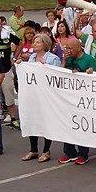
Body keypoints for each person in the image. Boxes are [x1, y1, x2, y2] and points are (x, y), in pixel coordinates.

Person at [19, 33, 61, 162]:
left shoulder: (53, 58)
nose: (35, 44)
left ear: (45, 44)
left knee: (46, 122)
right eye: (34, 42)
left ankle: (46, 150)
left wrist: (45, 67)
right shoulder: (32, 57)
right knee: (33, 121)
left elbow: (57, 76)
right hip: (33, 96)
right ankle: (33, 150)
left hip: (47, 96)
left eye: (38, 42)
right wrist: (20, 65)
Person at [58, 38, 95, 165]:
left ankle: (83, 154)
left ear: (79, 48)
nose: (68, 50)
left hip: (82, 99)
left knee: (81, 125)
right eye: (66, 48)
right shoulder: (69, 58)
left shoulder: (88, 59)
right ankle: (69, 152)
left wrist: (87, 73)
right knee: (67, 124)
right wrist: (64, 59)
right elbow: (60, 72)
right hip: (69, 97)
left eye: (70, 48)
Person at [0, 16, 20, 127]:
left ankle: (13, 118)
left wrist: (14, 58)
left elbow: (20, 43)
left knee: (9, 96)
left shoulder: (7, 35)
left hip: (6, 70)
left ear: (2, 24)